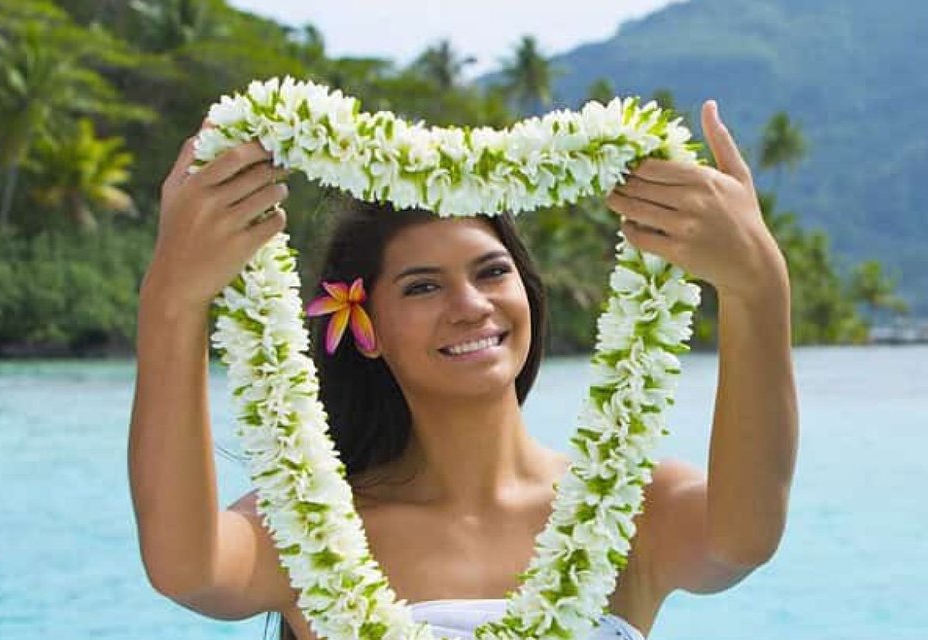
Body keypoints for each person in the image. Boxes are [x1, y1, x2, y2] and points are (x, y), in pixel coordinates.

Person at [127, 100, 798, 639]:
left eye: (492, 271)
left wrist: (757, 284)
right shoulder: (307, 520)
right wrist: (173, 297)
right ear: (364, 330)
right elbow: (184, 569)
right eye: (422, 287)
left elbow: (744, 538)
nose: (471, 305)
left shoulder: (636, 508)